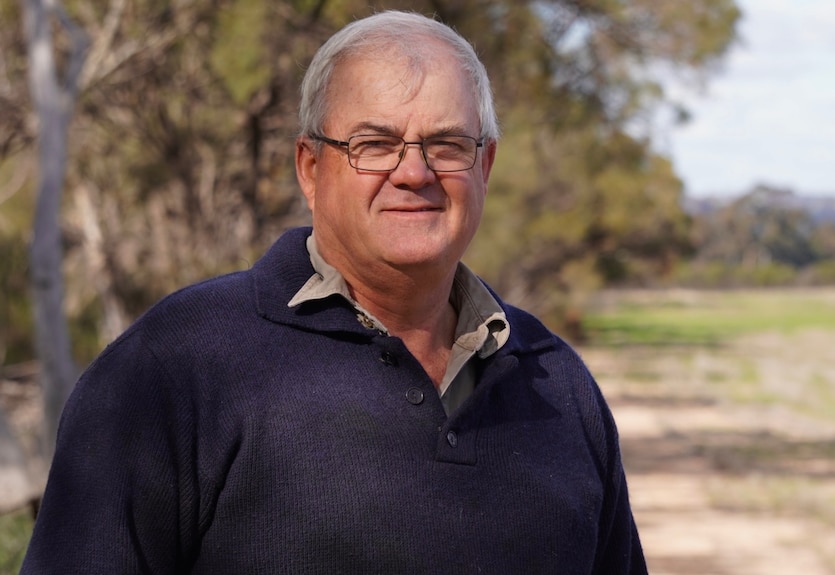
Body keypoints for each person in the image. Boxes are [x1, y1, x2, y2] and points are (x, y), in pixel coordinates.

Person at [22, 10, 648, 575]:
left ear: (484, 168)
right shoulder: (173, 368)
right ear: (310, 168)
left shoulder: (556, 381)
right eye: (373, 145)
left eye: (448, 145)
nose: (413, 173)